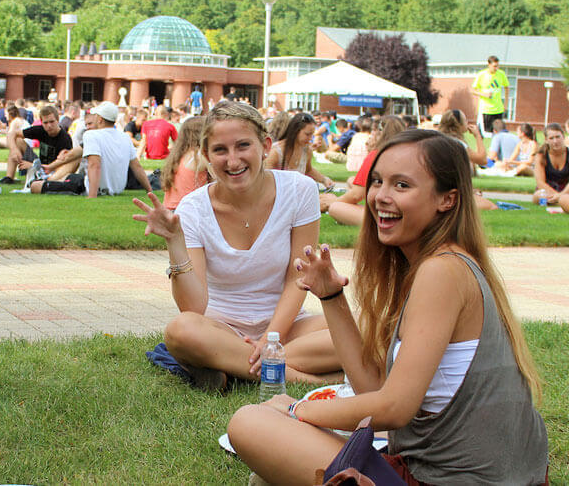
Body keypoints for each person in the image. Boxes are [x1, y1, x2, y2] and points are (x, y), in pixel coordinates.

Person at [228, 129, 548, 484]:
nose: (380, 196)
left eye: (401, 185)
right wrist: (331, 297)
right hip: (467, 473)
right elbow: (377, 390)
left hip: (448, 479)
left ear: (448, 199)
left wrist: (297, 409)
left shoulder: (442, 271)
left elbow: (394, 408)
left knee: (250, 422)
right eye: (377, 181)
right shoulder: (439, 264)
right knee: (268, 464)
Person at [131, 101, 338, 391]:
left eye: (243, 146)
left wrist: (270, 339)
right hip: (221, 330)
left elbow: (298, 278)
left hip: (287, 328)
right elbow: (193, 307)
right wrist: (175, 242)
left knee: (366, 332)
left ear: (265, 145)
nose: (232, 161)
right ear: (206, 154)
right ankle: (314, 379)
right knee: (180, 330)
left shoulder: (299, 190)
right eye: (220, 150)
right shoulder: (193, 208)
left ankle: (235, 366)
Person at [30, 102, 152, 197]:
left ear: (100, 119)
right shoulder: (125, 137)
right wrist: (149, 191)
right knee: (71, 177)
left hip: (89, 187)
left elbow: (94, 165)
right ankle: (48, 176)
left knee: (35, 186)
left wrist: (92, 195)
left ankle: (41, 179)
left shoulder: (91, 135)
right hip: (117, 188)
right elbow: (137, 167)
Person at [323, 116, 407, 226]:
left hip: (389, 217)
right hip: (407, 213)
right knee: (351, 180)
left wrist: (333, 201)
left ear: (377, 132)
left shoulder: (376, 155)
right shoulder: (407, 155)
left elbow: (356, 195)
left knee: (335, 208)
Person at [437, 109, 495, 210]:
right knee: (492, 207)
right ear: (458, 124)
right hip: (451, 194)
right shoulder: (458, 144)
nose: (467, 123)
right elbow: (483, 160)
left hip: (439, 190)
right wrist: (477, 135)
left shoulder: (437, 140)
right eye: (465, 120)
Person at [5, 106, 74, 185]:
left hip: (53, 171)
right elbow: (12, 133)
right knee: (18, 141)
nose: (49, 125)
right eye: (45, 122)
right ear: (41, 122)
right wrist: (14, 150)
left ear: (58, 120)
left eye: (52, 122)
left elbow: (62, 166)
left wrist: (32, 165)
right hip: (39, 164)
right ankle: (9, 178)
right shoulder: (40, 130)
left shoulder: (65, 139)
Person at [264, 112, 334, 189]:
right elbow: (265, 179)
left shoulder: (306, 150)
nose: (311, 138)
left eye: (312, 134)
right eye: (307, 134)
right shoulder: (276, 152)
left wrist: (324, 180)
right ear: (295, 131)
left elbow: (308, 170)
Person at [161, 116, 208, 210]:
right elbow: (220, 182)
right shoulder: (199, 156)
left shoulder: (177, 156)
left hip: (169, 209)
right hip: (188, 210)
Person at [533, 123, 569, 212]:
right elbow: (540, 182)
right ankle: (561, 204)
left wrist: (561, 195)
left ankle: (561, 203)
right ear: (546, 140)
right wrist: (556, 195)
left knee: (564, 198)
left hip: (566, 191)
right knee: (538, 196)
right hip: (548, 191)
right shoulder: (541, 156)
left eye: (558, 137)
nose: (555, 141)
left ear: (563, 136)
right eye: (551, 138)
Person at [472, 55, 509, 133]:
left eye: (497, 66)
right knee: (483, 133)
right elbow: (473, 91)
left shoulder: (501, 74)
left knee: (499, 133)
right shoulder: (481, 74)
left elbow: (507, 87)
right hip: (486, 110)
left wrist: (505, 104)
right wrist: (484, 94)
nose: (496, 68)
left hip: (498, 110)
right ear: (489, 65)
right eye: (494, 66)